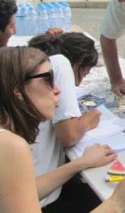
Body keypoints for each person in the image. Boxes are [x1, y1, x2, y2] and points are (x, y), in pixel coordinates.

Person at [0, 46, 125, 213]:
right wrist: (117, 203)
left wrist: (80, 163)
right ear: (18, 91)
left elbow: (23, 191)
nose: (57, 89)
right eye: (47, 79)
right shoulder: (11, 146)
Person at [28, 32, 102, 212]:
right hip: (44, 201)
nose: (58, 92)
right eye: (50, 84)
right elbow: (68, 135)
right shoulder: (60, 63)